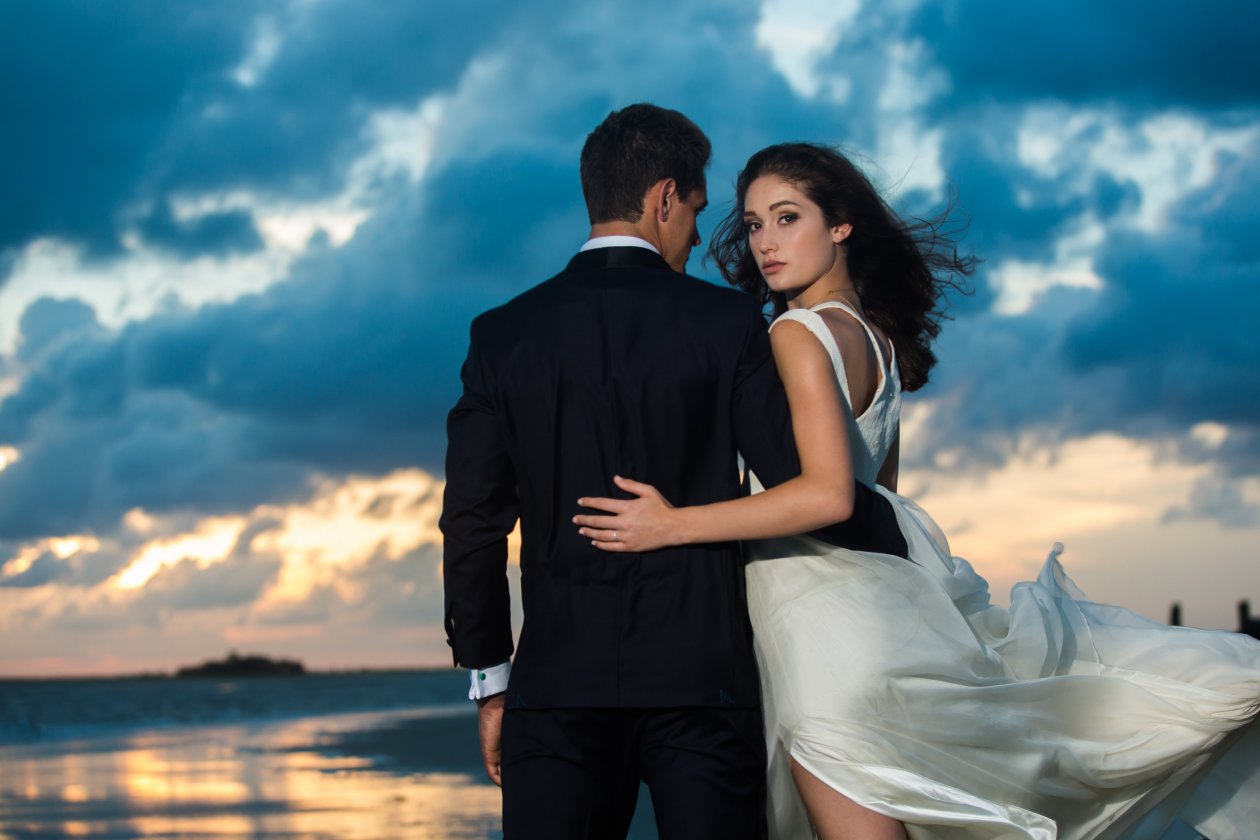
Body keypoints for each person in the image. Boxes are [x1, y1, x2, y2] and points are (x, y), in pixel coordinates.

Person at [574, 143, 1260, 839]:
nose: (766, 245)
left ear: (841, 225)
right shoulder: (876, 342)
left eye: (787, 219)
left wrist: (671, 524)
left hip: (820, 632)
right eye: (753, 226)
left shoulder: (793, 334)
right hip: (882, 616)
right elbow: (881, 505)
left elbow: (831, 499)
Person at [440, 110, 907, 840]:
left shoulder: (503, 334)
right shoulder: (727, 323)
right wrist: (910, 545)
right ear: (664, 198)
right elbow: (810, 484)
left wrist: (492, 682)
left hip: (558, 686)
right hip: (702, 684)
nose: (698, 235)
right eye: (695, 211)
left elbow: (472, 523)